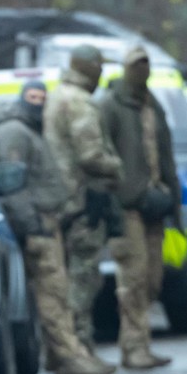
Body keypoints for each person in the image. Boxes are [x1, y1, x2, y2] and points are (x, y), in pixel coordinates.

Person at [0, 81, 116, 374]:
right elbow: (11, 186)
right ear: (21, 100)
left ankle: (60, 357)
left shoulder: (28, 129)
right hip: (38, 225)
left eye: (42, 98)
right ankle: (70, 358)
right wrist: (32, 226)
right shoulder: (14, 132)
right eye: (32, 97)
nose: (38, 103)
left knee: (57, 291)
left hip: (48, 221)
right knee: (53, 294)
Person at [99, 45, 181, 369]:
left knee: (152, 278)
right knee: (132, 279)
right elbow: (104, 157)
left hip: (155, 205)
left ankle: (142, 342)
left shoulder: (153, 105)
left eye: (147, 63)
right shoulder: (111, 106)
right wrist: (118, 197)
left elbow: (166, 156)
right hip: (126, 206)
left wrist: (172, 203)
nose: (143, 69)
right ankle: (134, 348)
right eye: (137, 64)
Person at [44, 44, 125, 352]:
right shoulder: (80, 102)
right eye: (99, 66)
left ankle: (63, 348)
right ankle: (80, 347)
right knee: (84, 277)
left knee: (66, 278)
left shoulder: (56, 96)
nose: (102, 72)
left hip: (63, 203)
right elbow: (91, 155)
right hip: (82, 201)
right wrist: (117, 167)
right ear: (90, 68)